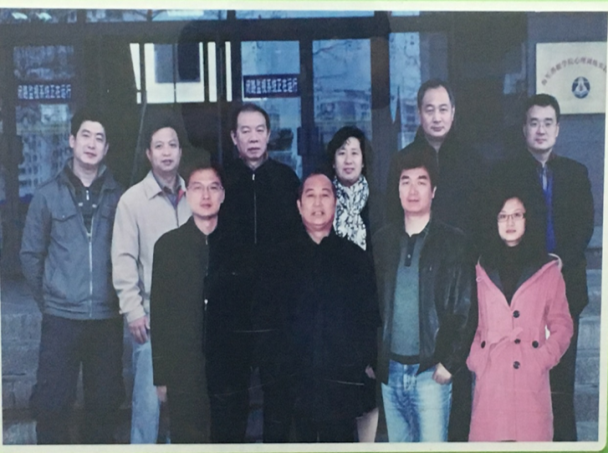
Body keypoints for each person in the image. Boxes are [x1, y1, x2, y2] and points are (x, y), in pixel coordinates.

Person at [490, 94, 594, 441]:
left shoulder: (576, 173)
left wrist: (561, 258)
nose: (541, 130)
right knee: (525, 384)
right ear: (524, 128)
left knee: (561, 382)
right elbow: (503, 226)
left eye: (548, 123)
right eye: (534, 122)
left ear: (558, 129)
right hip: (523, 291)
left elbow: (584, 226)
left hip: (565, 287)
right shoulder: (506, 174)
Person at [385, 79, 483, 440]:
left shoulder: (473, 162)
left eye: (444, 109)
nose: (437, 117)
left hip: (460, 281)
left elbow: (482, 224)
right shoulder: (403, 160)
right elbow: (392, 218)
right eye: (430, 109)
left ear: (454, 113)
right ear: (419, 113)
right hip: (415, 277)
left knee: (455, 392)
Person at [20, 108, 124, 444]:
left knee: (105, 406)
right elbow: (31, 255)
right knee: (52, 405)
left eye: (99, 138)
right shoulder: (47, 194)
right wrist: (51, 298)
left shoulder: (120, 197)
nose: (91, 144)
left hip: (106, 318)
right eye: (85, 136)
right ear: (71, 140)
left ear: (106, 148)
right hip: (61, 319)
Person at [254, 172, 380, 442]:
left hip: (339, 388)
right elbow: (264, 322)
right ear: (299, 205)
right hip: (289, 389)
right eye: (310, 196)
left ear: (336, 203)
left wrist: (360, 363)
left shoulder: (355, 259)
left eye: (325, 195)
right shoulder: (277, 260)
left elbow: (369, 318)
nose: (318, 203)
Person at [374, 144, 475, 442]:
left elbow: (466, 309)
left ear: (433, 191)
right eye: (405, 181)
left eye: (421, 181)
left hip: (430, 373)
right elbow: (370, 306)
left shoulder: (453, 243)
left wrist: (450, 364)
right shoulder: (382, 242)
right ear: (397, 189)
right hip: (390, 373)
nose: (413, 189)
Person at [213, 103, 300, 442]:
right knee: (232, 401)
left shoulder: (286, 180)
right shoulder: (221, 182)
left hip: (276, 311)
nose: (253, 137)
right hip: (232, 311)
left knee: (278, 400)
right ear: (234, 137)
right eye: (245, 131)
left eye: (259, 130)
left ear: (268, 135)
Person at [467, 190, 573, 441]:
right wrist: (477, 360)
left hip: (529, 385)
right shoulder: (480, 269)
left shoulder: (547, 270)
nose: (510, 222)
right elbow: (471, 323)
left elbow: (562, 325)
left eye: (517, 215)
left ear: (529, 219)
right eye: (502, 216)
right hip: (491, 384)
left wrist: (541, 359)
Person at [112, 114, 191, 443]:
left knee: (187, 407)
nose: (167, 152)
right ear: (148, 153)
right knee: (148, 408)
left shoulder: (194, 195)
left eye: (172, 145)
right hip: (150, 320)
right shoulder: (132, 201)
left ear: (181, 151)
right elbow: (123, 259)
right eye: (159, 146)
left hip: (191, 320)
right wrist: (133, 311)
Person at [150, 157, 225, 443]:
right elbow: (160, 314)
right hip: (183, 369)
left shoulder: (237, 245)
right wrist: (161, 376)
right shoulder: (168, 247)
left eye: (213, 187)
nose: (206, 196)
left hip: (227, 371)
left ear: (223, 194)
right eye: (197, 188)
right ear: (185, 194)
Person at [327, 126, 378, 442]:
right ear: (332, 160)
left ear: (363, 159)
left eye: (354, 152)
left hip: (365, 317)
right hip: (331, 319)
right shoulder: (322, 201)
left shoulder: (379, 204)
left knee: (367, 396)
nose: (348, 159)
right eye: (341, 152)